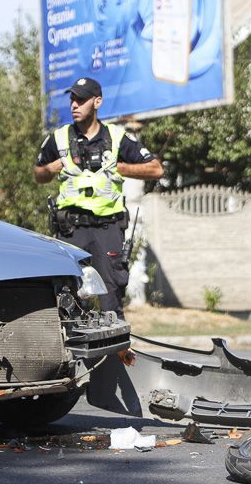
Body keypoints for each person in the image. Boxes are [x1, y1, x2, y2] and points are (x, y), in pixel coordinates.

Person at [34, 76, 164, 318]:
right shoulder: (59, 137)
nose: (74, 105)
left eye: (81, 100)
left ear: (97, 102)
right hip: (71, 228)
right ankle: (73, 353)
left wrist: (123, 168)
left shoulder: (117, 137)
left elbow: (156, 169)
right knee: (67, 298)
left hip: (108, 229)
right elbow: (38, 173)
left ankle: (116, 355)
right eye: (72, 99)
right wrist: (48, 170)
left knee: (110, 299)